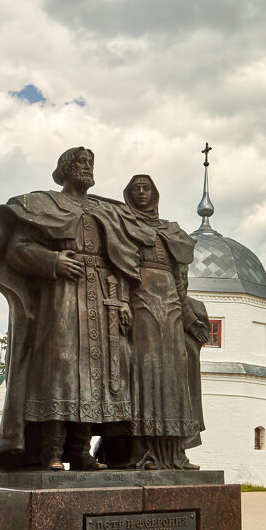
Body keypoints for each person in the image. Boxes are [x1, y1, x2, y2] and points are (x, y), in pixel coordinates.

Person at [0, 148, 155, 471]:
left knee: (96, 378)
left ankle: (79, 451)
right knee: (61, 371)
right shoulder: (43, 205)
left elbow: (118, 261)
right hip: (62, 297)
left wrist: (120, 299)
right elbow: (18, 251)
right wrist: (54, 261)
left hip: (102, 302)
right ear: (65, 169)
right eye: (81, 162)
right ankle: (50, 451)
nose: (88, 167)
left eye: (91, 163)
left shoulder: (103, 211)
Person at [100, 175, 209, 469]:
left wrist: (188, 319)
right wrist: (122, 301)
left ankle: (175, 454)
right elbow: (117, 270)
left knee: (174, 378)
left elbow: (181, 281)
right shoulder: (124, 227)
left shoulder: (172, 231)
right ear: (128, 195)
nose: (141, 193)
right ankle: (141, 453)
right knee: (144, 377)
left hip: (171, 306)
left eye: (146, 187)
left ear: (155, 193)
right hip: (141, 302)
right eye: (136, 188)